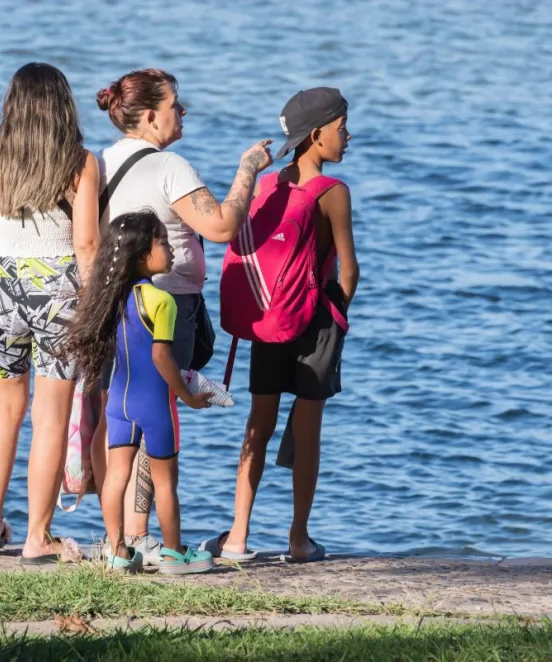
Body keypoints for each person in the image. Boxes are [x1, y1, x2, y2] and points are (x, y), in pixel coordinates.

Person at [91, 68, 273, 565]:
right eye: (176, 105)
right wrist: (248, 170)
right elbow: (220, 226)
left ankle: (121, 541)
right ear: (150, 116)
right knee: (161, 418)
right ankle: (148, 537)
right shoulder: (168, 165)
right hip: (167, 305)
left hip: (112, 306)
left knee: (121, 420)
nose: (183, 112)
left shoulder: (100, 164)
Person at [202, 87, 359, 563]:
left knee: (259, 424)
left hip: (267, 320)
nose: (348, 136)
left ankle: (237, 536)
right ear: (317, 135)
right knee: (307, 428)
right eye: (341, 127)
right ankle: (298, 538)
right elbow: (348, 271)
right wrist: (336, 318)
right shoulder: (332, 192)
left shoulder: (267, 188)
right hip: (315, 322)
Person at [0, 62, 100, 564]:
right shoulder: (80, 163)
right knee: (50, 416)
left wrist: (0, 250)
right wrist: (97, 304)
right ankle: (38, 537)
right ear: (63, 107)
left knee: (5, 408)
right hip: (59, 289)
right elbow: (85, 243)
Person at [65, 209, 215, 574]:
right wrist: (187, 395)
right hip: (155, 404)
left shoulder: (112, 298)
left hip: (119, 401)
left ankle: (117, 550)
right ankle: (175, 553)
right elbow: (161, 356)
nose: (172, 249)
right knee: (166, 483)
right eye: (163, 242)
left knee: (115, 477)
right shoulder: (161, 301)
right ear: (142, 256)